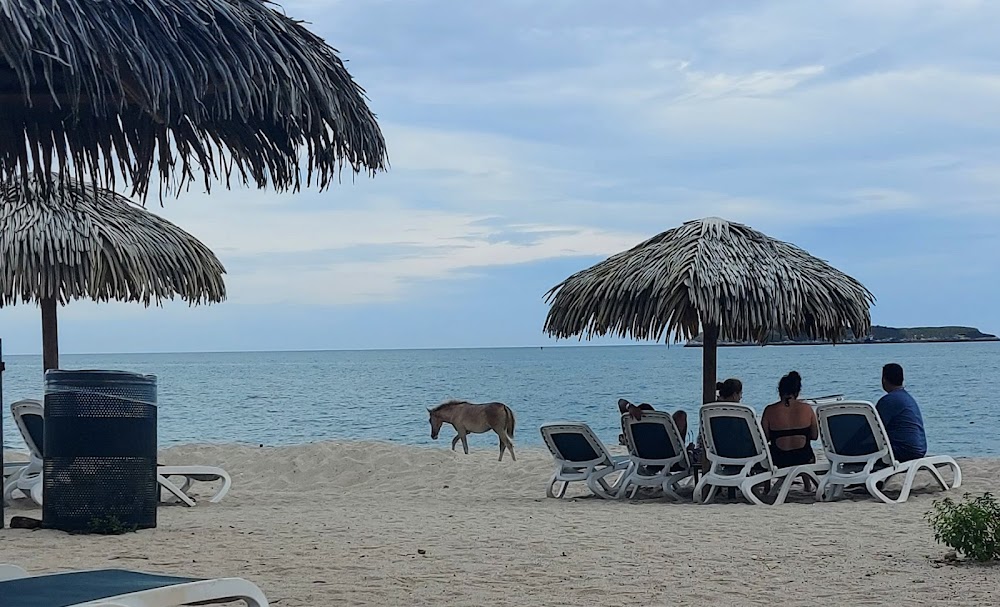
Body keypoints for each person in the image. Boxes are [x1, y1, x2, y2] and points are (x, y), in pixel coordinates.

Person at [761, 371, 818, 469]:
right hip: (804, 458)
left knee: (768, 453)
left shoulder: (769, 410)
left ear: (780, 390)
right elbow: (814, 436)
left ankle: (768, 484)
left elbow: (764, 439)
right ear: (797, 391)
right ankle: (807, 483)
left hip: (778, 459)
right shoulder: (807, 409)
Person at [876, 363, 926, 462]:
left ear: (884, 380)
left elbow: (873, 429)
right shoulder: (905, 397)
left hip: (903, 451)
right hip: (918, 449)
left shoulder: (889, 401)